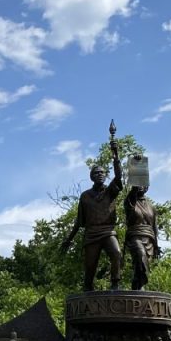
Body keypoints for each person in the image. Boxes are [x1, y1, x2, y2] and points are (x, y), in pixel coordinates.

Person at [60, 122, 125, 291]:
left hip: (108, 231)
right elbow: (78, 222)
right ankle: (88, 290)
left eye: (102, 173)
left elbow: (119, 177)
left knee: (116, 254)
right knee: (90, 268)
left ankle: (115, 284)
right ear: (91, 177)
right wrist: (68, 240)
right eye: (96, 173)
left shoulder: (111, 191)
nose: (100, 175)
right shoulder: (85, 196)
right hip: (91, 234)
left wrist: (115, 154)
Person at [121, 155, 159, 290]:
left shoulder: (151, 206)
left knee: (141, 267)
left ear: (147, 187)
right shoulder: (130, 201)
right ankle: (139, 288)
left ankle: (137, 287)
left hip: (149, 239)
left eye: (144, 184)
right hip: (135, 237)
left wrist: (157, 246)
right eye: (139, 184)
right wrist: (138, 166)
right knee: (140, 257)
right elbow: (134, 190)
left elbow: (154, 227)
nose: (141, 187)